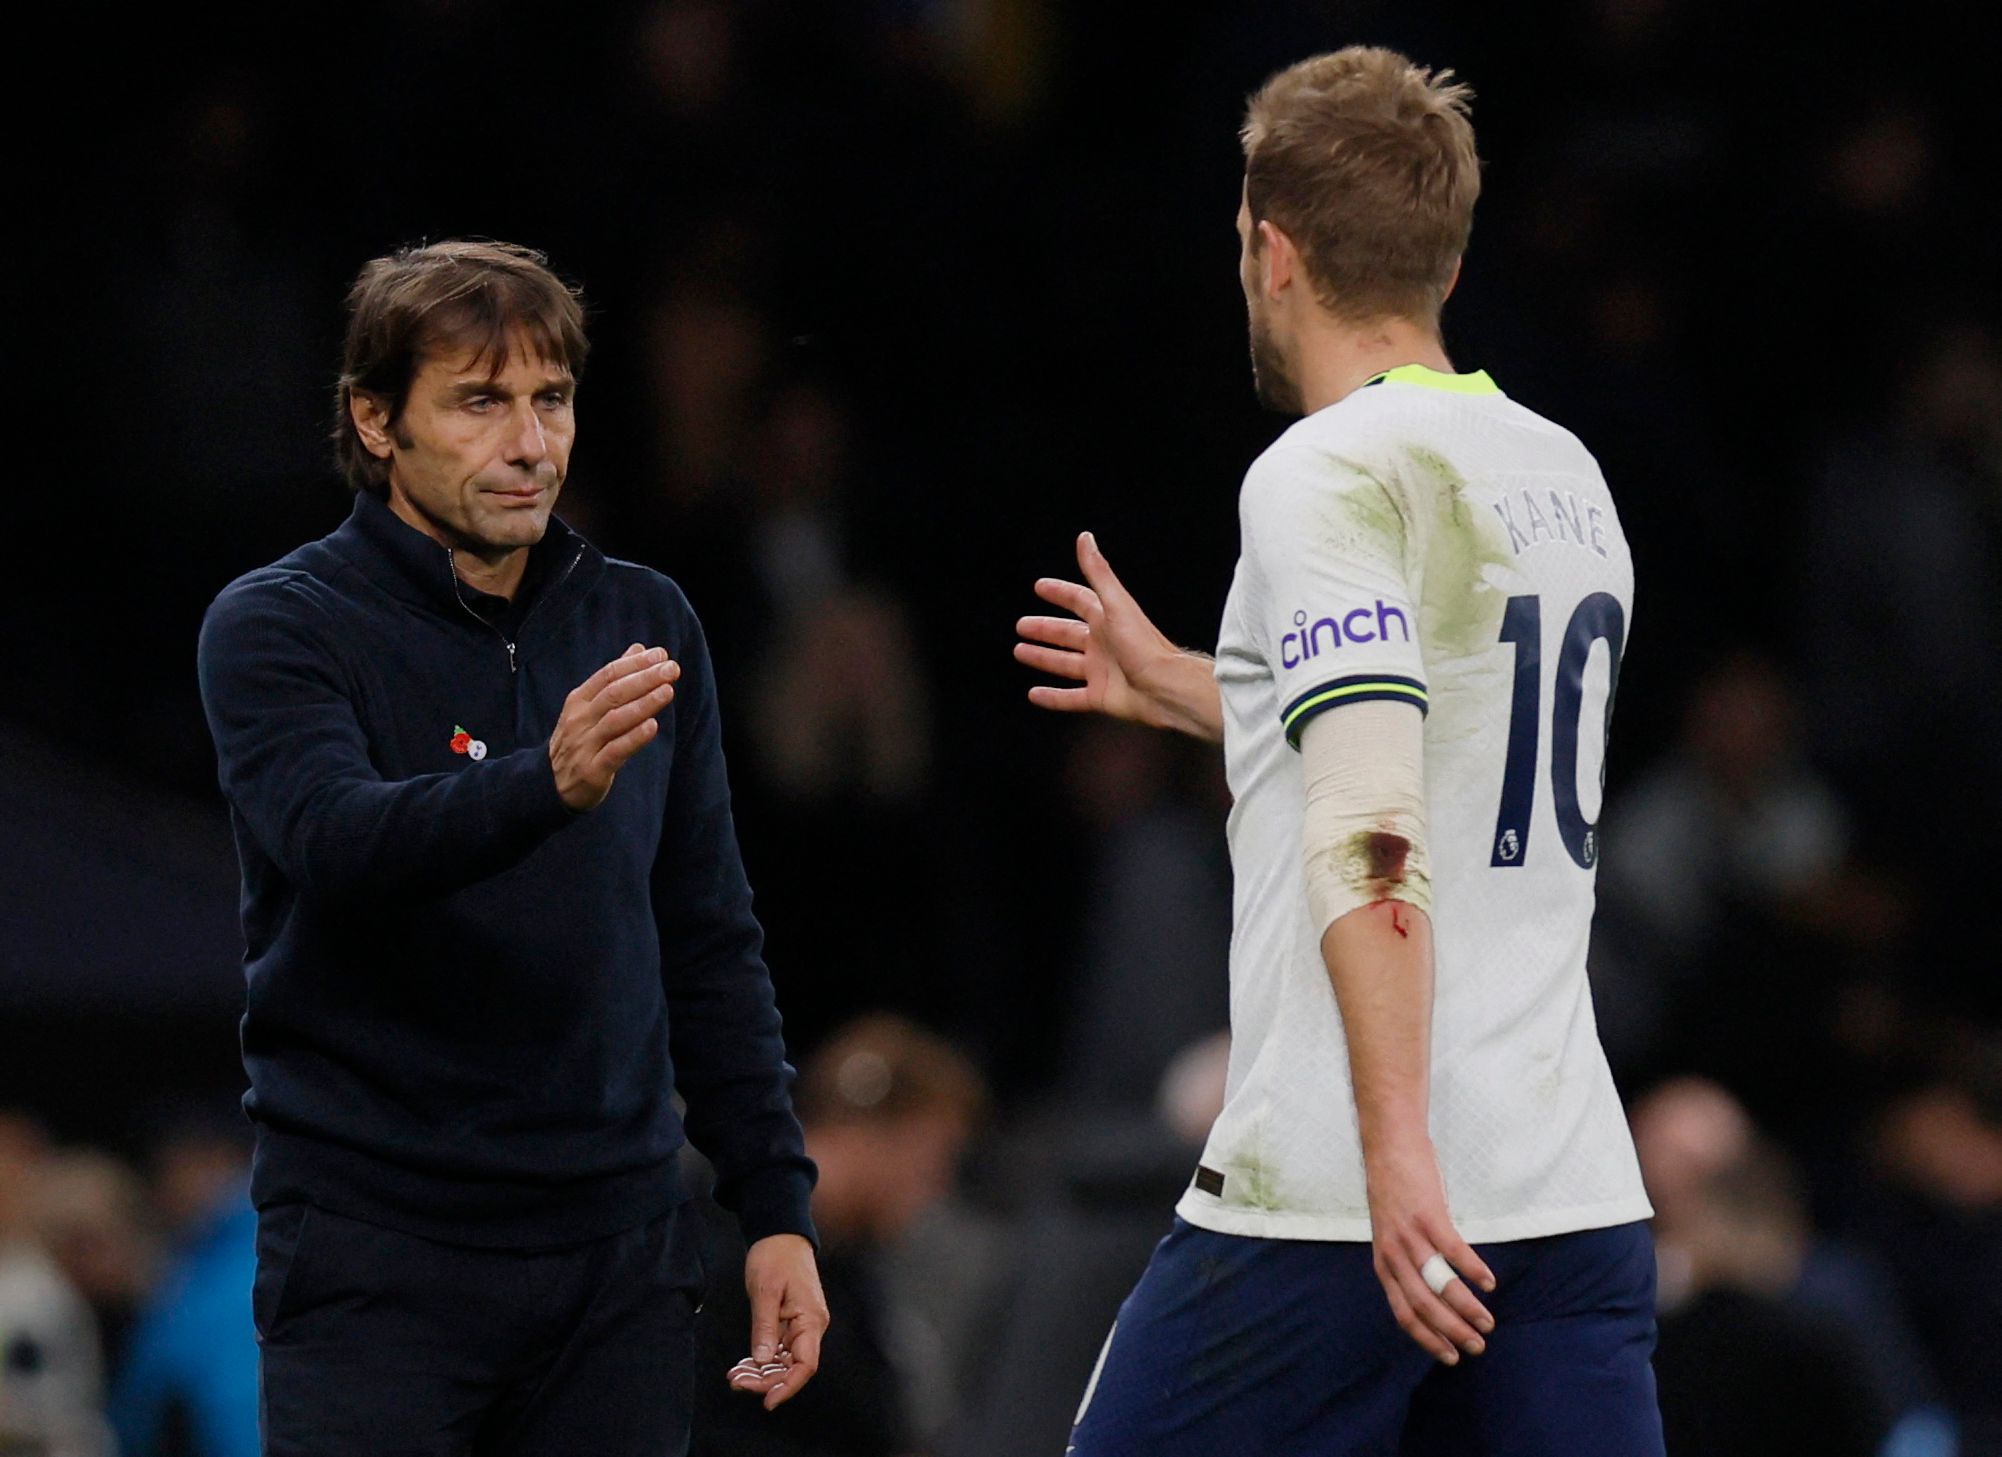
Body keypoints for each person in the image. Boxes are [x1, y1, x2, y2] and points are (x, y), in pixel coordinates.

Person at [1015, 49, 1662, 1453]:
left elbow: (1375, 825)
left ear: (1269, 248)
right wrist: (1206, 691)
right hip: (1564, 1192)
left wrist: (1391, 1153)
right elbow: (1455, 740)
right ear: (1447, 249)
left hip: (1346, 1200)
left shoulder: (1325, 470)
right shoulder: (1563, 470)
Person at [195, 239, 827, 1456]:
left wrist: (775, 1207)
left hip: (619, 1265)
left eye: (551, 398)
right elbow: (336, 839)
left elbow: (708, 937)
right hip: (377, 1258)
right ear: (375, 421)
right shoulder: (277, 625)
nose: (530, 441)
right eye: (480, 401)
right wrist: (547, 780)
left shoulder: (644, 619)